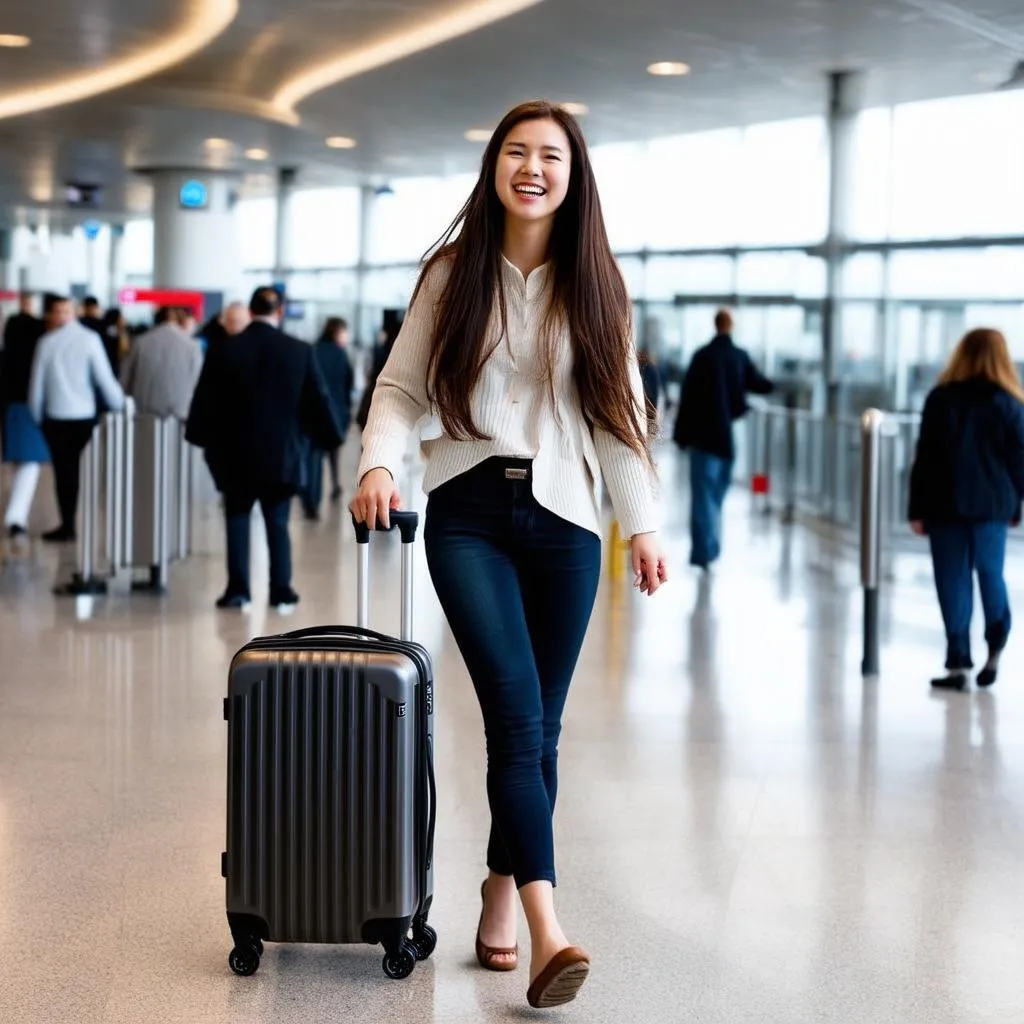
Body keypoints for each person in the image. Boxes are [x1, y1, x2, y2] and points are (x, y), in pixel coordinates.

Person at [351, 100, 666, 1010]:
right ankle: (547, 928)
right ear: (495, 166)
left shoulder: (598, 284)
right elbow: (402, 388)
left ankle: (495, 894)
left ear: (574, 178)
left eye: (551, 156)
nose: (533, 167)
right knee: (515, 720)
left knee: (542, 729)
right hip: (469, 516)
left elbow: (620, 418)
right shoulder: (452, 274)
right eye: (517, 152)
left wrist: (640, 523)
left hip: (567, 517)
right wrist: (379, 461)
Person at [186, 287, 341, 611]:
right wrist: (331, 437)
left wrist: (200, 439)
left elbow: (205, 401)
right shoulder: (298, 350)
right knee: (278, 521)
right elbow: (317, 399)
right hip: (281, 455)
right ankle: (281, 589)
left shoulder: (224, 349)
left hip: (235, 455)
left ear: (252, 311)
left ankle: (238, 589)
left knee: (238, 517)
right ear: (280, 311)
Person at [908, 328, 1024, 691]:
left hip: (946, 503)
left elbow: (924, 458)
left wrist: (917, 508)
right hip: (992, 503)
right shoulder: (1009, 403)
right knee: (991, 572)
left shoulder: (940, 398)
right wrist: (1017, 501)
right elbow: (1019, 459)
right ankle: (995, 644)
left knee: (952, 578)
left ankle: (958, 663)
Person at [672, 309, 773, 569]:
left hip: (702, 440)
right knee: (716, 495)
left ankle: (705, 552)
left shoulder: (701, 356)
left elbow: (687, 398)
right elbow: (760, 384)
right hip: (726, 441)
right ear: (731, 326)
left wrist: (680, 435)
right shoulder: (739, 357)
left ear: (715, 325)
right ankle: (710, 547)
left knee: (703, 497)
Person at [28, 294, 125, 542]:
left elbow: (36, 387)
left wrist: (36, 416)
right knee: (86, 469)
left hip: (55, 417)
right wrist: (121, 404)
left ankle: (68, 523)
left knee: (64, 472)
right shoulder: (90, 340)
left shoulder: (45, 343)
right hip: (84, 416)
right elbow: (104, 378)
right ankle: (90, 523)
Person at [1, 292, 48, 539]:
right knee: (28, 464)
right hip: (28, 407)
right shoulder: (38, 356)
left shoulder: (6, 356)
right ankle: (16, 517)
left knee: (21, 463)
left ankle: (15, 515)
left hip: (11, 408)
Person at [301, 317, 354, 518]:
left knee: (313, 457)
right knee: (333, 450)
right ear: (336, 332)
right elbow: (348, 385)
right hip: (336, 413)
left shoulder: (312, 350)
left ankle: (311, 500)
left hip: (313, 412)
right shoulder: (341, 354)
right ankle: (334, 483)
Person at [120, 306, 203, 419]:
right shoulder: (192, 345)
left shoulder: (140, 343)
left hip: (146, 413)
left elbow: (125, 381)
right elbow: (198, 383)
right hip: (181, 414)